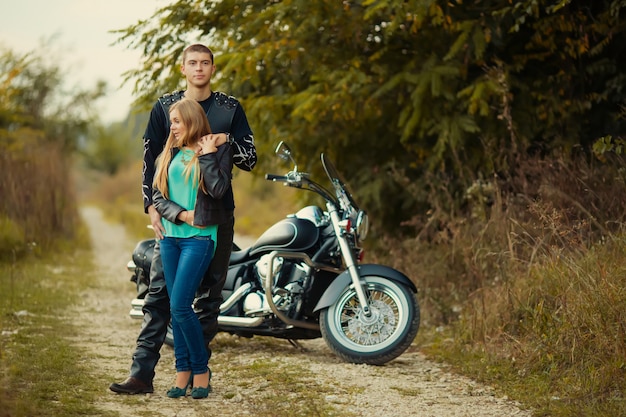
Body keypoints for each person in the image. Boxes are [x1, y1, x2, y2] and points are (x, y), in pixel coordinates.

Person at [110, 44, 257, 395]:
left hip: (217, 217)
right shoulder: (165, 108)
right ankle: (142, 374)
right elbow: (151, 162)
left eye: (205, 63)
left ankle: (194, 373)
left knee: (209, 296)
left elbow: (250, 158)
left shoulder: (229, 109)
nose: (199, 69)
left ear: (213, 68)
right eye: (192, 63)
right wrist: (151, 206)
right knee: (160, 294)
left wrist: (224, 140)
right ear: (183, 68)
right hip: (172, 218)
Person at [152, 98, 232, 399]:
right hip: (170, 238)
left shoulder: (217, 151)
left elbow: (217, 190)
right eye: (171, 121)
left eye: (177, 120)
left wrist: (209, 155)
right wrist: (182, 215)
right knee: (177, 308)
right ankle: (182, 370)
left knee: (182, 307)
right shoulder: (169, 153)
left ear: (192, 120)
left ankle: (200, 370)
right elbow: (157, 196)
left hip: (199, 239)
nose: (172, 126)